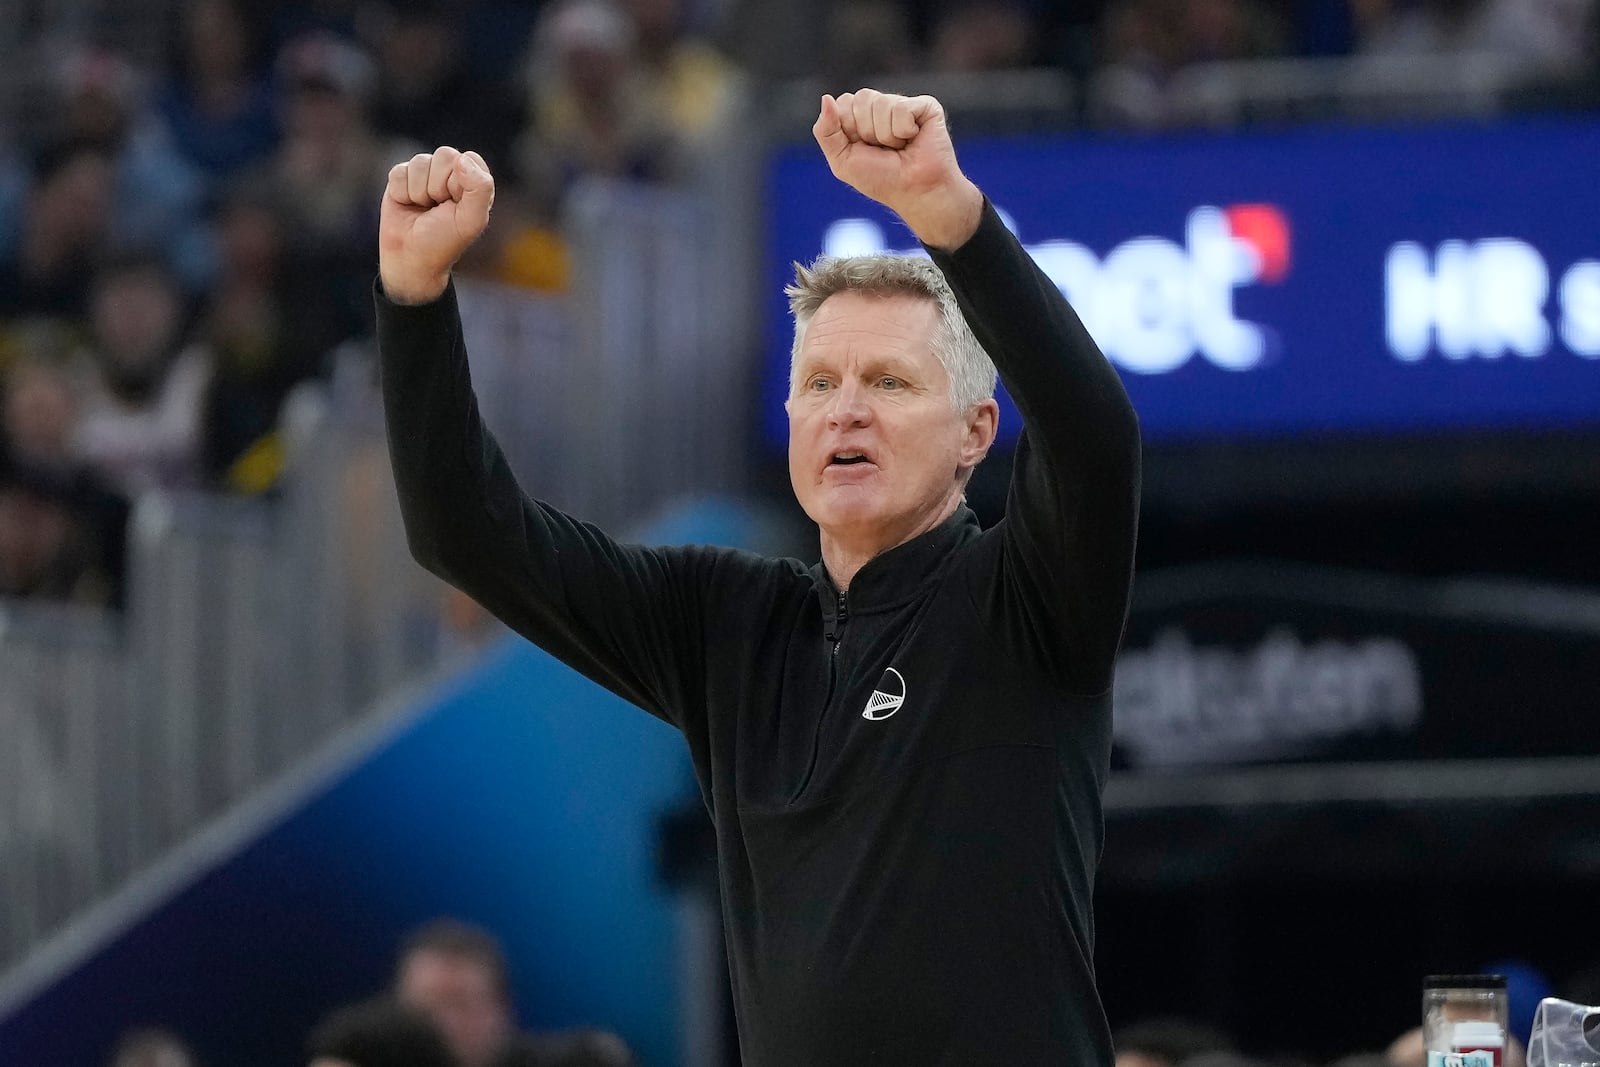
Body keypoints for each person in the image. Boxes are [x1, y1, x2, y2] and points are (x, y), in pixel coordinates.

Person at [376, 87, 1141, 1064]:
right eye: (818, 383)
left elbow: (1094, 435)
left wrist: (952, 217)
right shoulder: (726, 621)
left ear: (975, 432)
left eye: (890, 382)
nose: (845, 410)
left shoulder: (1026, 596)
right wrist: (412, 298)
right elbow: (467, 536)